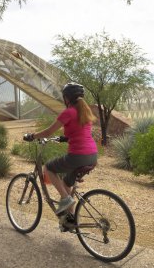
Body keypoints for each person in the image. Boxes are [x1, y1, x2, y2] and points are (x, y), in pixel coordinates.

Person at [24, 82, 98, 215]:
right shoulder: (85, 112)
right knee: (66, 183)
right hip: (92, 155)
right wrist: (65, 138)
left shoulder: (68, 112)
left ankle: (66, 199)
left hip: (78, 156)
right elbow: (80, 132)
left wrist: (32, 136)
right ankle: (70, 217)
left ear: (67, 98)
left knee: (48, 167)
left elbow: (48, 132)